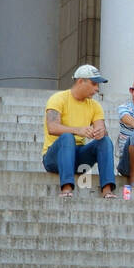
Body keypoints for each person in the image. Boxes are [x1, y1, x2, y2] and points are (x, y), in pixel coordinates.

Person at [42, 63, 116, 198]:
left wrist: (100, 132)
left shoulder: (95, 106)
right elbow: (52, 127)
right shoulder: (58, 99)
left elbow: (102, 129)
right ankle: (66, 188)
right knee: (67, 137)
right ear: (81, 81)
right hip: (54, 157)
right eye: (94, 84)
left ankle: (107, 190)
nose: (97, 89)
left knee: (105, 141)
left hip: (79, 158)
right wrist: (78, 130)